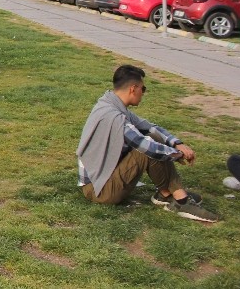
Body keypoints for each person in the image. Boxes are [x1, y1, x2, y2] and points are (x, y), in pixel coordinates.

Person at [76, 65, 218, 222]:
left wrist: (177, 143)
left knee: (152, 137)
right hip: (99, 190)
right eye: (143, 89)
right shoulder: (114, 117)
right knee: (147, 148)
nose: (143, 94)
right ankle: (181, 200)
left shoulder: (109, 105)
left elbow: (150, 127)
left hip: (99, 182)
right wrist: (178, 155)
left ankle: (166, 194)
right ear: (133, 88)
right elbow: (145, 146)